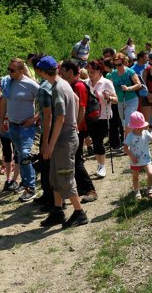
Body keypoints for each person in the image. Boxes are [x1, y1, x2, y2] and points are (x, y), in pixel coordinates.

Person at [36, 56, 89, 228]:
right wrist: (75, 121)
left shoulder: (58, 88)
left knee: (65, 175)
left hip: (64, 139)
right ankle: (58, 211)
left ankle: (79, 212)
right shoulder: (64, 82)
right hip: (65, 136)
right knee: (55, 176)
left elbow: (59, 118)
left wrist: (49, 145)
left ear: (43, 72)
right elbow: (76, 100)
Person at [0, 58, 40, 202]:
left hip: (26, 126)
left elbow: (45, 101)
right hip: (13, 125)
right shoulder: (8, 83)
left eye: (12, 70)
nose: (9, 72)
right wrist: (2, 121)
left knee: (24, 154)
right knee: (20, 155)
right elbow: (4, 102)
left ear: (21, 71)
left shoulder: (31, 84)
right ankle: (26, 181)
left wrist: (35, 118)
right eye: (8, 69)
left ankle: (31, 187)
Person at [60, 60, 98, 203]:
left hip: (78, 129)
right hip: (75, 128)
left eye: (63, 70)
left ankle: (90, 190)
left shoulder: (78, 86)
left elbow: (81, 108)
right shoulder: (70, 85)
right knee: (76, 159)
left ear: (70, 71)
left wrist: (76, 127)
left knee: (76, 160)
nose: (61, 73)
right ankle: (82, 188)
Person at [85, 60, 117, 178]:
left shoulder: (106, 82)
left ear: (99, 71)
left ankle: (102, 166)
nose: (90, 74)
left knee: (98, 141)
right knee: (95, 140)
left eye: (92, 72)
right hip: (90, 116)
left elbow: (115, 99)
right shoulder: (86, 83)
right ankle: (99, 165)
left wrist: (108, 97)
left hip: (103, 115)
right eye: (88, 72)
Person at [31, 54, 55, 210]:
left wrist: (45, 141)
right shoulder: (59, 84)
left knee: (46, 166)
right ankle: (49, 196)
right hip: (59, 128)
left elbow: (48, 115)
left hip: (50, 129)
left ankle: (51, 199)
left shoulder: (44, 88)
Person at [109, 52, 142, 140]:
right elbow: (111, 87)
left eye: (119, 64)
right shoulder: (113, 74)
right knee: (123, 123)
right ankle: (136, 138)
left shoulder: (130, 71)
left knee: (128, 122)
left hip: (132, 99)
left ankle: (127, 143)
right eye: (115, 65)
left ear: (123, 63)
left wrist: (129, 88)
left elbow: (139, 84)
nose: (117, 67)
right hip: (120, 100)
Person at [124, 112, 152, 199]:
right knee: (135, 176)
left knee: (151, 173)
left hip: (146, 159)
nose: (140, 129)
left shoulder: (145, 132)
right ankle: (137, 191)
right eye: (138, 128)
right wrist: (132, 156)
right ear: (133, 127)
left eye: (141, 127)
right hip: (135, 160)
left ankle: (149, 189)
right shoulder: (130, 136)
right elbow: (125, 148)